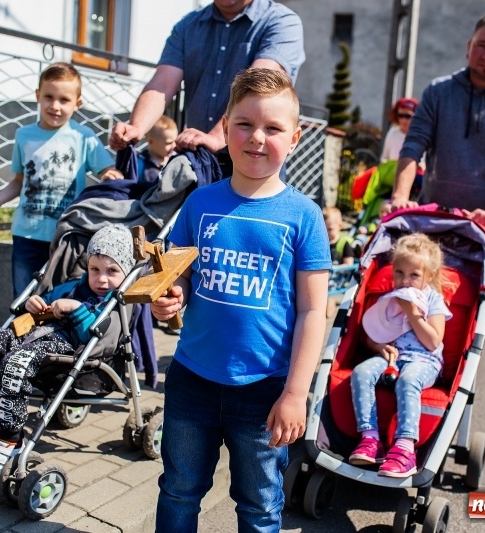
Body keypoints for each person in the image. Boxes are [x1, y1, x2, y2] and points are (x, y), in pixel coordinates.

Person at [150, 68, 330, 532]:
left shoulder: (304, 216)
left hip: (266, 389)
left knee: (259, 506)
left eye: (273, 128)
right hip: (192, 379)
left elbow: (314, 311)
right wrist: (170, 298)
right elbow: (180, 276)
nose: (257, 138)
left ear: (295, 138)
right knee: (178, 490)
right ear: (226, 127)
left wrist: (296, 393)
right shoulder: (199, 203)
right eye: (245, 124)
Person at [0, 224, 135, 487]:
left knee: (17, 362)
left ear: (127, 272)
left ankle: (10, 440)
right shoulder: (74, 286)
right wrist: (34, 304)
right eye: (94, 269)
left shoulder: (115, 303)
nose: (101, 279)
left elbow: (95, 338)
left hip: (67, 351)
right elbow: (44, 300)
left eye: (112, 271)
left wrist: (76, 309)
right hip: (33, 337)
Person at [0, 62, 122, 297]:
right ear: (37, 96)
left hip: (65, 237)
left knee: (59, 299)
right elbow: (18, 181)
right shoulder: (23, 135)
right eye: (49, 97)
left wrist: (108, 175)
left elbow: (108, 170)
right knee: (23, 298)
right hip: (26, 235)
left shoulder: (83, 137)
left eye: (64, 100)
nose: (55, 106)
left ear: (77, 103)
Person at [109, 0, 305, 176]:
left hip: (256, 160)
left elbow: (257, 89)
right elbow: (162, 84)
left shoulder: (281, 22)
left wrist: (217, 137)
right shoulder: (187, 26)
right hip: (201, 161)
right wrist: (136, 127)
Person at [389, 8, 485, 230]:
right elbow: (413, 144)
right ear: (469, 47)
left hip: (483, 227)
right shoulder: (438, 91)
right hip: (429, 218)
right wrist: (400, 196)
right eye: (481, 45)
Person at [348, 233, 452, 478]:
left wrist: (413, 313)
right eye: (399, 273)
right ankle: (370, 438)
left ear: (429, 276)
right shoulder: (389, 299)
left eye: (414, 275)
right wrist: (378, 347)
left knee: (409, 380)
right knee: (361, 372)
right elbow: (371, 333)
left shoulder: (433, 300)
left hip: (424, 361)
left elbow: (433, 341)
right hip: (392, 358)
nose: (405, 281)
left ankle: (405, 447)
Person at [138, 115, 178, 183]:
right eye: (168, 143)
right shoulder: (140, 163)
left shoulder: (176, 159)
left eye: (175, 141)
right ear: (151, 141)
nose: (174, 145)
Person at [380, 97, 418, 163]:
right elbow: (384, 158)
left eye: (408, 116)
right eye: (400, 116)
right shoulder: (392, 133)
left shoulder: (421, 136)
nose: (404, 120)